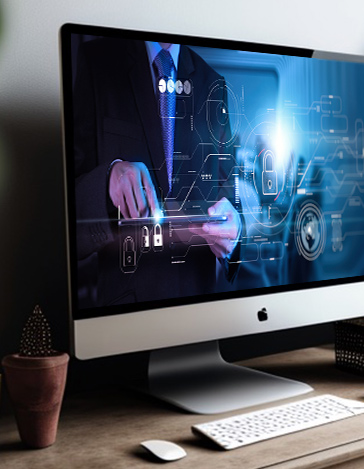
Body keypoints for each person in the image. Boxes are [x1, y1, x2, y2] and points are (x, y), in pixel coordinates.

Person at [73, 36, 242, 307]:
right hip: (124, 315)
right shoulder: (98, 62)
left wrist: (235, 234)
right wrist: (108, 180)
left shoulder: (213, 83)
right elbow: (66, 204)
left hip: (201, 312)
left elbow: (230, 197)